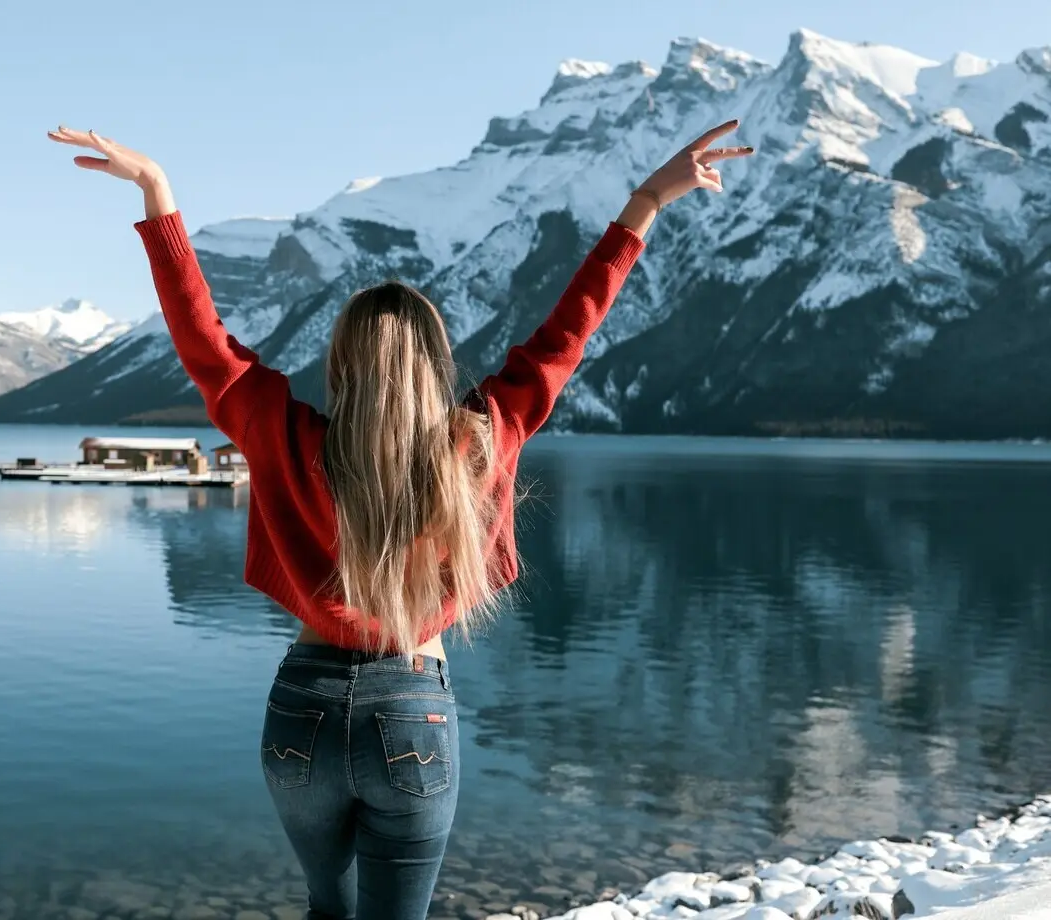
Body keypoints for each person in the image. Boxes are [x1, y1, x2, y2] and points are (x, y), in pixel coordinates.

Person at [48, 121, 752, 920]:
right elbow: (567, 334)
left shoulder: (282, 432)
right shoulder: (480, 441)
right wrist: (648, 201)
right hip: (413, 708)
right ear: (435, 361)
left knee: (328, 911)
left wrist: (158, 195)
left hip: (301, 712)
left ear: (341, 362)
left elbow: (204, 342)